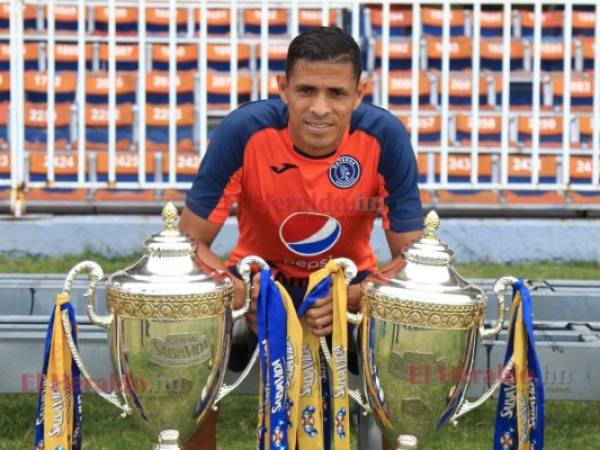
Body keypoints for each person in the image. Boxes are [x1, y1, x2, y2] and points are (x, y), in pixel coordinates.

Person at [179, 26, 423, 450]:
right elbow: (190, 243)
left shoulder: (384, 137)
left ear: (360, 93)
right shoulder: (244, 131)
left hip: (347, 287)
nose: (320, 109)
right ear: (283, 89)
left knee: (406, 330)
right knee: (193, 317)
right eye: (306, 90)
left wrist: (358, 295)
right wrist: (237, 291)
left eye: (337, 94)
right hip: (260, 284)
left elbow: (413, 259)